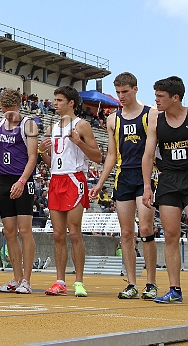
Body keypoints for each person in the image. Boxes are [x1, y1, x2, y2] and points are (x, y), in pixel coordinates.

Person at [89, 72, 158, 300]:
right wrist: (100, 183)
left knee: (146, 229)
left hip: (145, 176)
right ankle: (131, 283)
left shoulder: (151, 114)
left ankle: (151, 283)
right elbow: (111, 154)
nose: (121, 96)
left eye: (125, 92)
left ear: (135, 89)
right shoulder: (112, 119)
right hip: (123, 177)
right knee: (127, 233)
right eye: (118, 92)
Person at [38, 86, 102, 297]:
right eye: (55, 100)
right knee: (58, 235)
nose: (55, 103)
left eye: (59, 100)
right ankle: (60, 281)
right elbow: (50, 162)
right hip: (56, 179)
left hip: (74, 178)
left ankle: (79, 281)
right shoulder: (52, 128)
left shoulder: (81, 125)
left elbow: (97, 157)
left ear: (71, 102)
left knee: (74, 233)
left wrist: (78, 142)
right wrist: (42, 151)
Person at [142, 76, 187, 304]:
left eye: (160, 96)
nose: (156, 100)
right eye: (156, 95)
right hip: (168, 179)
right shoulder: (156, 119)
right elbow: (148, 154)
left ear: (175, 98)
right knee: (170, 235)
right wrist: (148, 186)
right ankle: (174, 289)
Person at [0, 90, 38, 294]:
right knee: (9, 231)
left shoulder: (28, 124)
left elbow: (32, 156)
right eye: (4, 112)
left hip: (22, 180)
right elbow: (0, 154)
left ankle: (27, 280)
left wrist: (22, 181)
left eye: (10, 113)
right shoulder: (0, 125)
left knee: (25, 230)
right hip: (5, 180)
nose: (7, 116)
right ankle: (16, 277)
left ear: (18, 108)